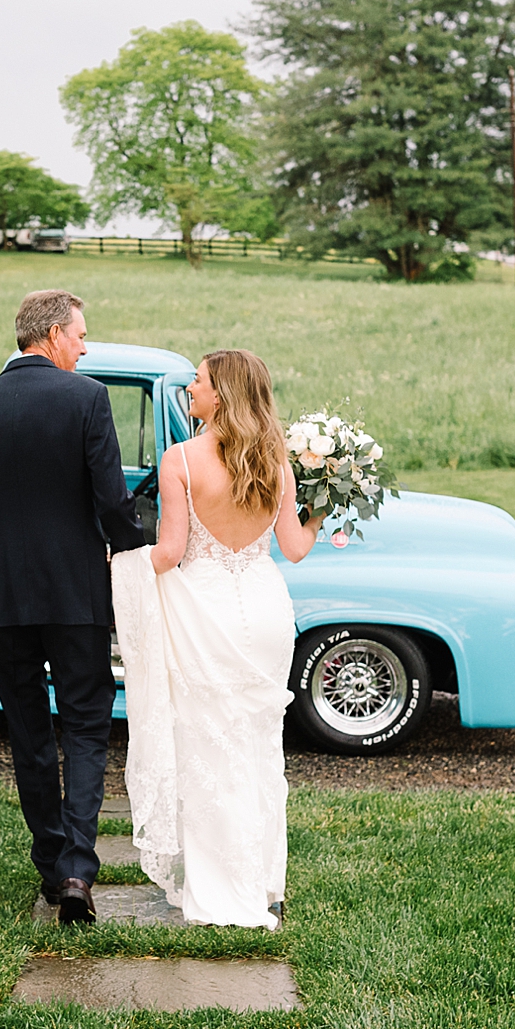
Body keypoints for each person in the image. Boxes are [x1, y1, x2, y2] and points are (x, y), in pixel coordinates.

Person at [0, 289, 144, 924]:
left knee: (28, 732)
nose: (86, 347)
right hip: (77, 598)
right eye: (80, 335)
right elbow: (111, 504)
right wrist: (143, 554)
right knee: (88, 726)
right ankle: (76, 870)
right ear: (50, 335)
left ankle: (50, 863)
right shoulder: (89, 399)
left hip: (5, 599)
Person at [112, 348, 322, 929]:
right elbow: (296, 548)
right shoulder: (276, 461)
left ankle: (218, 888)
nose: (190, 392)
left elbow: (171, 554)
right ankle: (260, 883)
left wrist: (113, 562)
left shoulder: (180, 460)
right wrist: (322, 510)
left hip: (204, 614)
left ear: (221, 396)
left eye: (198, 384)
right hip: (264, 610)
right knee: (257, 747)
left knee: (206, 748)